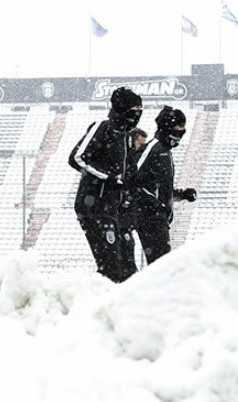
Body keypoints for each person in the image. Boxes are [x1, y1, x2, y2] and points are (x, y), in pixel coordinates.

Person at [69, 86, 143, 283]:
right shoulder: (103, 127)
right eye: (135, 111)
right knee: (111, 266)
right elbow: (77, 157)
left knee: (126, 266)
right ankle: (102, 304)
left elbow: (127, 174)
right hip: (94, 206)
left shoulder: (126, 136)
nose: (138, 115)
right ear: (123, 109)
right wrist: (107, 177)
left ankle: (120, 303)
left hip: (112, 208)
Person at [129, 106, 196, 265]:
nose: (179, 136)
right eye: (177, 130)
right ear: (166, 128)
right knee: (162, 266)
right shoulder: (154, 148)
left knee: (162, 265)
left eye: (182, 132)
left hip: (159, 217)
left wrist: (181, 195)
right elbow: (130, 177)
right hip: (149, 216)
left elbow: (158, 187)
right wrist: (154, 205)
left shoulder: (165, 151)